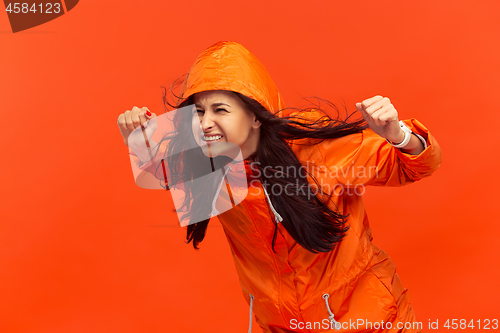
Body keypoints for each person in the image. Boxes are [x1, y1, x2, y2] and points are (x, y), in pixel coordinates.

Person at [117, 41, 442, 333]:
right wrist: (139, 140)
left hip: (369, 320)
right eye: (199, 112)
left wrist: (398, 133)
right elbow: (164, 171)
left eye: (220, 110)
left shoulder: (316, 151)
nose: (204, 123)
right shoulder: (210, 170)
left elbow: (415, 164)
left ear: (256, 116)